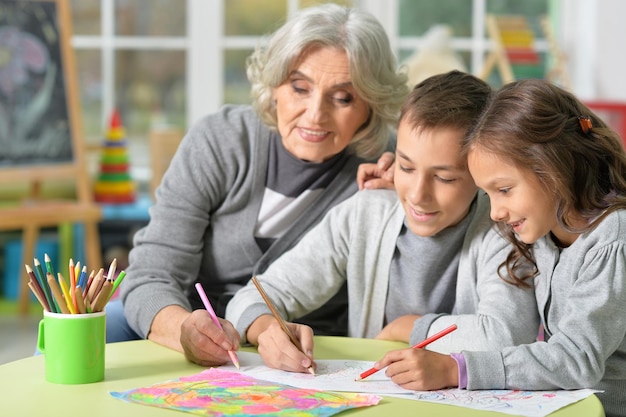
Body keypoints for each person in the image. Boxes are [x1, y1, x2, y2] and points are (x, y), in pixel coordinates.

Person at [109, 4, 409, 367]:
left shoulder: (394, 168)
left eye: (343, 98)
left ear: (371, 107)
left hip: (308, 355)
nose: (315, 114)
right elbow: (151, 275)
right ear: (274, 87)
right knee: (84, 334)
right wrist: (184, 329)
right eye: (300, 88)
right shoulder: (221, 140)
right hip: (190, 337)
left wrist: (409, 206)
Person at [225, 70, 539, 374]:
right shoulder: (365, 215)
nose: (418, 195)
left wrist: (409, 328)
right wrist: (266, 329)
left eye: (444, 178)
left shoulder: (504, 230)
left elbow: (506, 337)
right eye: (406, 167)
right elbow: (252, 296)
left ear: (482, 174)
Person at [373, 79, 626, 417]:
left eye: (504, 190)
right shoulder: (546, 229)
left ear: (554, 169)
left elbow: (575, 360)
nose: (494, 212)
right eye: (488, 194)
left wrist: (457, 369)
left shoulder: (612, 240)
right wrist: (400, 180)